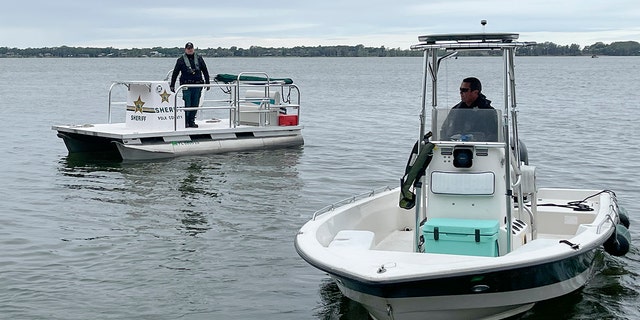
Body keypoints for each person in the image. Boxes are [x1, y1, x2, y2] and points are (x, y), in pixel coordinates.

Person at [439, 77, 499, 141]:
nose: (461, 93)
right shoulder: (456, 109)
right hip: (456, 145)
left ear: (475, 92)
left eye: (464, 90)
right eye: (460, 90)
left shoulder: (488, 111)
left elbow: (493, 135)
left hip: (480, 147)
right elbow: (445, 131)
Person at [170, 42, 210, 128]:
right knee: (187, 103)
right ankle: (185, 121)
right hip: (186, 85)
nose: (190, 50)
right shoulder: (180, 60)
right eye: (188, 49)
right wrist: (172, 85)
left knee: (195, 103)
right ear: (185, 49)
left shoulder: (199, 58)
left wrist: (208, 82)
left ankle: (192, 120)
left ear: (193, 49)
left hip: (197, 85)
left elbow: (205, 71)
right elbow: (175, 73)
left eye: (191, 48)